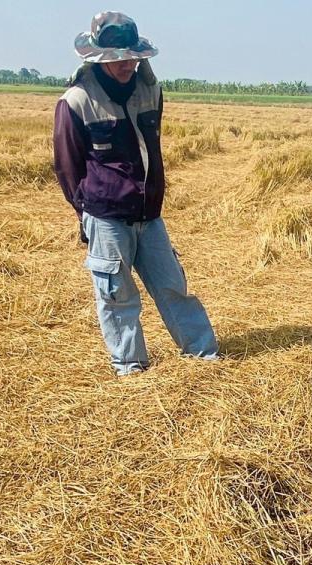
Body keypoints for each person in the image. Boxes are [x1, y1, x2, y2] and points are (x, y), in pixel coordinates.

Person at [53, 11, 218, 376]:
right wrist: (88, 212)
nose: (127, 64)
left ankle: (203, 355)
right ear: (98, 59)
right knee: (117, 295)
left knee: (173, 286)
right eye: (118, 59)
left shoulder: (150, 91)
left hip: (150, 214)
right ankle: (130, 366)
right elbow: (68, 167)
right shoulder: (76, 101)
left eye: (132, 57)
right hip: (107, 217)